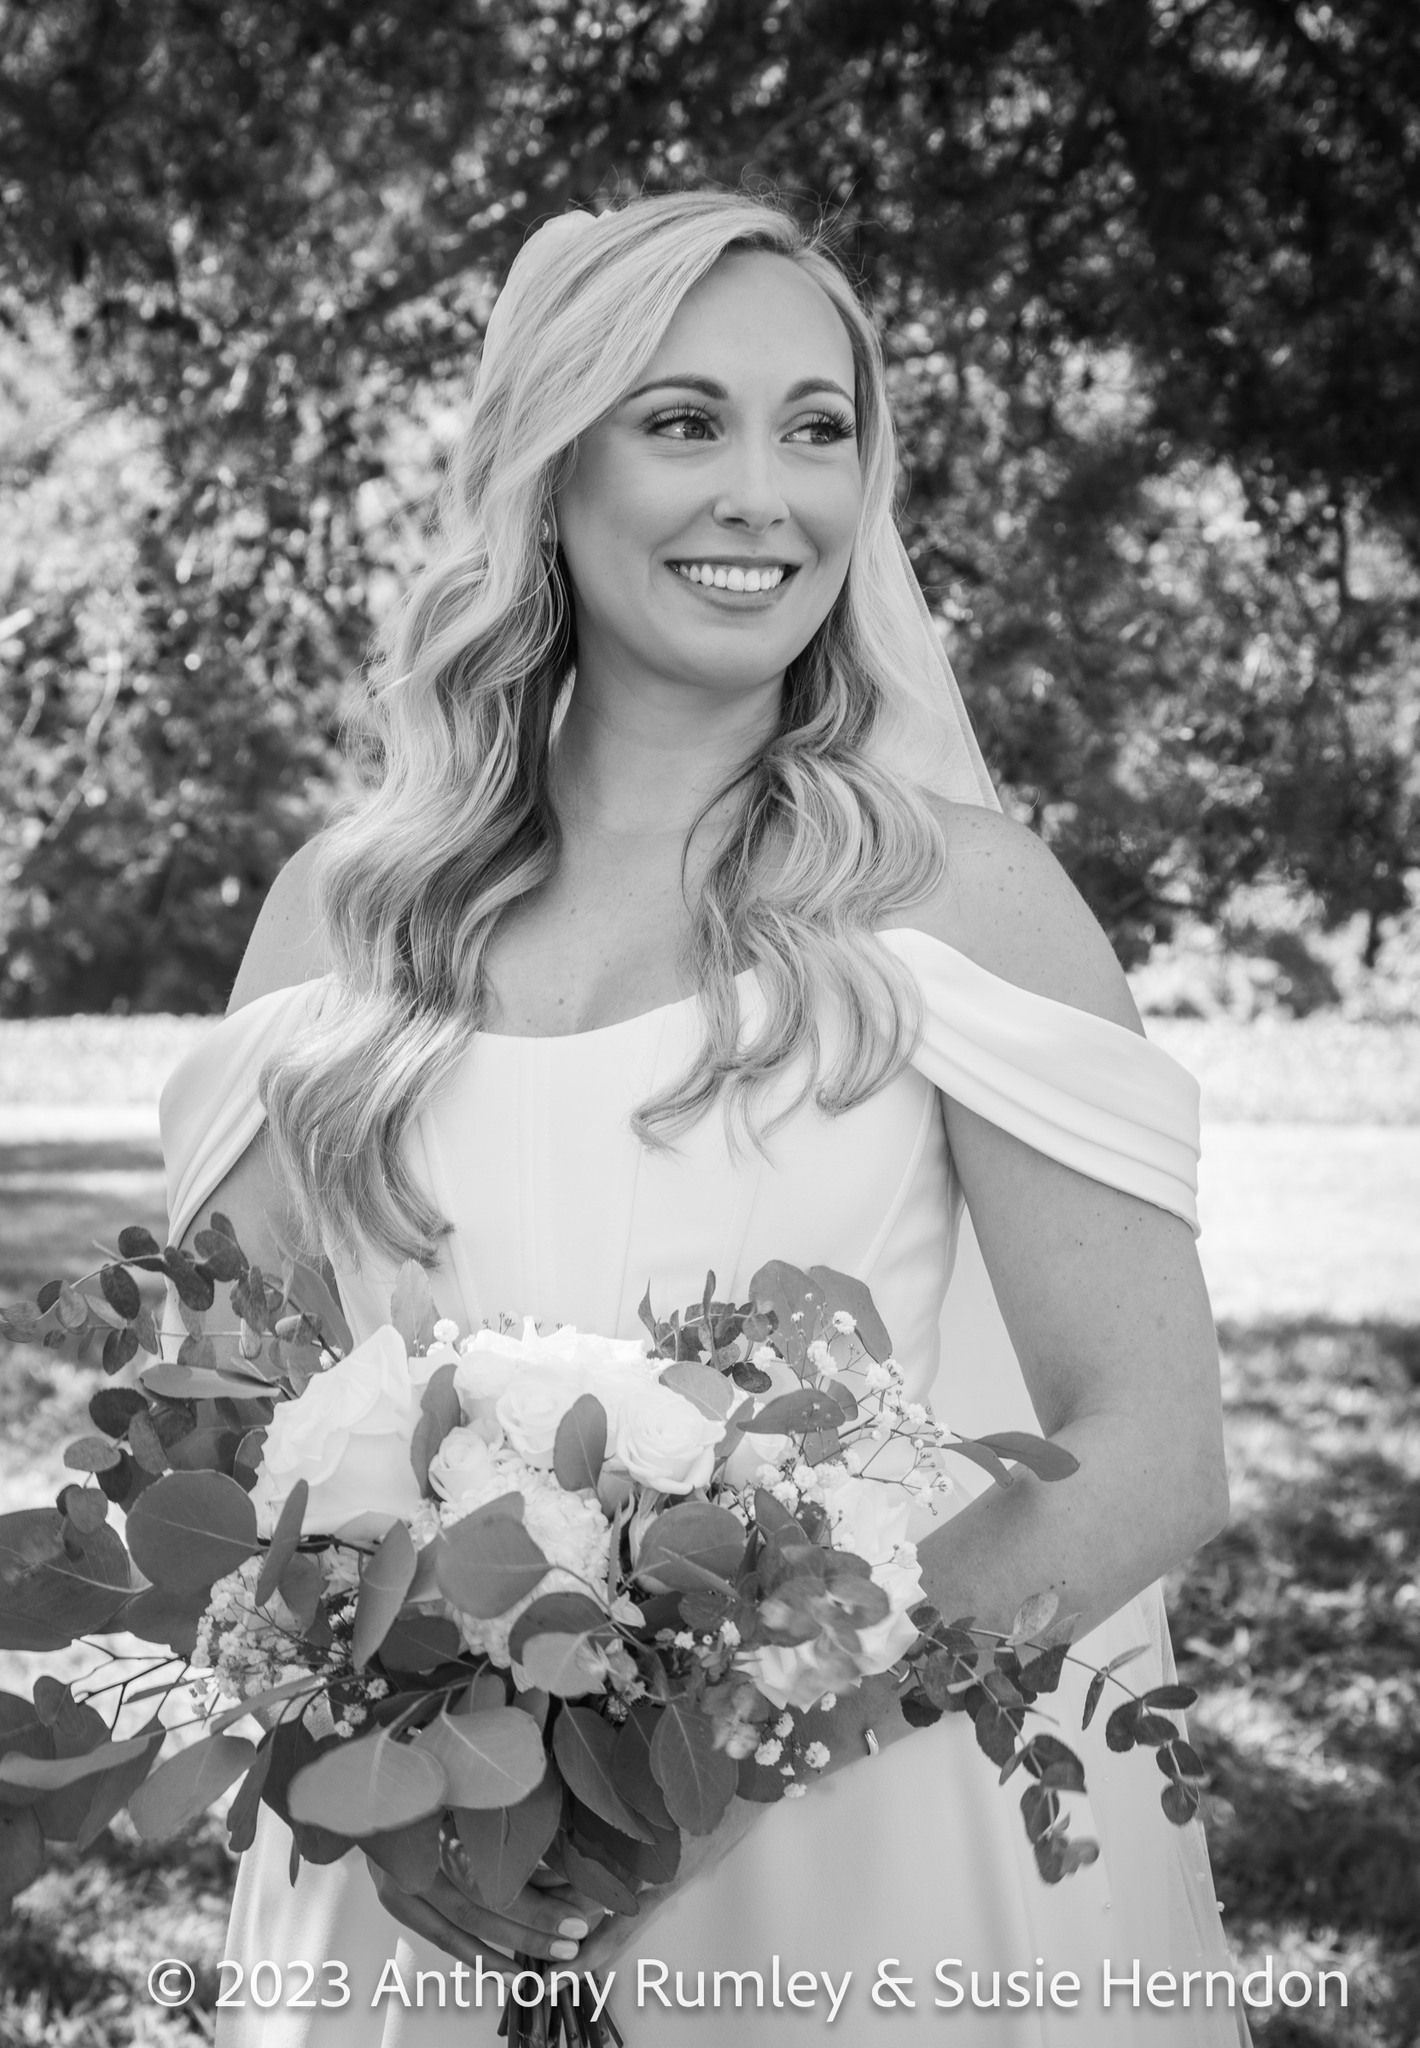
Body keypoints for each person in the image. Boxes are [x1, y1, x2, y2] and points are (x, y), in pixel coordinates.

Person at [160, 189, 1249, 2044]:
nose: (770, 495)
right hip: (424, 1878)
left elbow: (1151, 1448)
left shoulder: (958, 902)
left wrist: (686, 1774)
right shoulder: (342, 918)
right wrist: (409, 1751)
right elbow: (210, 1442)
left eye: (816, 428)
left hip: (864, 1859)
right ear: (548, 469)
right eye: (685, 423)